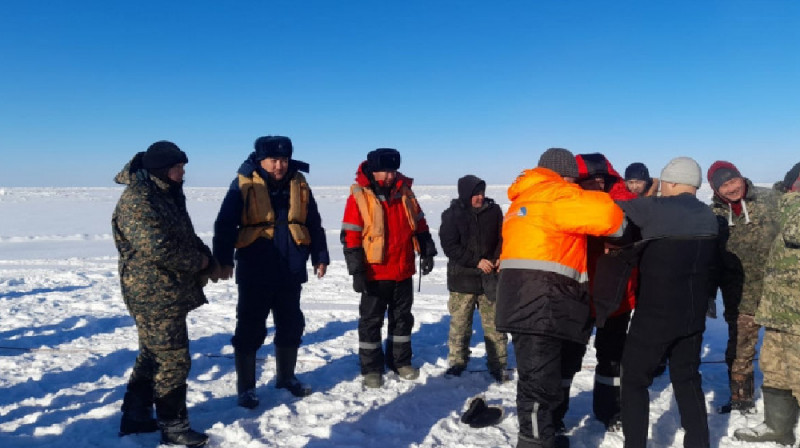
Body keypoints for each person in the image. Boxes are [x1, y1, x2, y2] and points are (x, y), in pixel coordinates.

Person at [495, 148, 625, 448]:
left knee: (536, 379)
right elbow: (613, 220)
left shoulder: (523, 198)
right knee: (539, 386)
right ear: (566, 176)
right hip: (544, 303)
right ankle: (536, 443)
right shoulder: (558, 195)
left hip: (521, 300)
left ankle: (544, 436)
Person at [113, 141, 218, 447]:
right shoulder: (138, 199)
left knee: (152, 354)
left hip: (166, 288)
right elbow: (158, 246)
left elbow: (183, 232)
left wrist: (206, 256)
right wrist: (198, 262)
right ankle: (173, 426)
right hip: (152, 292)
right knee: (173, 358)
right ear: (162, 169)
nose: (183, 172)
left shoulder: (164, 193)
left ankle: (135, 415)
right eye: (178, 167)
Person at [213, 136, 330, 408]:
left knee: (291, 324)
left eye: (284, 159)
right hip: (256, 267)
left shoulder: (299, 182)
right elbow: (225, 224)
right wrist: (223, 259)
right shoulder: (244, 182)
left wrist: (319, 256)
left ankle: (286, 377)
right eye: (273, 160)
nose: (279, 165)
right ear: (260, 159)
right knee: (250, 328)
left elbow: (313, 222)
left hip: (290, 266)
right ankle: (246, 388)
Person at [617, 157, 720, 448]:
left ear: (671, 182)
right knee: (687, 379)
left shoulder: (655, 208)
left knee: (635, 380)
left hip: (655, 316)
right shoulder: (709, 215)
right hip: (692, 314)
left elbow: (608, 210)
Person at [341, 148, 438, 388]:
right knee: (371, 321)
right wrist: (357, 271)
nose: (390, 175)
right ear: (373, 170)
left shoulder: (405, 192)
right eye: (385, 170)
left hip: (403, 269)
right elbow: (351, 236)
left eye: (393, 170)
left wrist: (427, 251)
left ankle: (400, 361)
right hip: (375, 272)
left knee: (402, 319)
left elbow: (419, 222)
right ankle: (371, 367)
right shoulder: (359, 195)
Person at [735, 162, 800, 445]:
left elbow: (793, 231)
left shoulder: (791, 210)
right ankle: (778, 427)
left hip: (797, 317)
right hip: (777, 312)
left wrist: (789, 198)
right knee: (774, 371)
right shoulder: (787, 206)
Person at [708, 160, 780, 413]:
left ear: (741, 177)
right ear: (716, 190)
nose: (731, 188)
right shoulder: (713, 216)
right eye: (724, 185)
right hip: (738, 296)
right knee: (739, 350)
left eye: (733, 181)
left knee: (783, 351)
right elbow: (711, 260)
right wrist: (709, 293)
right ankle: (741, 399)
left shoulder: (771, 200)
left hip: (777, 293)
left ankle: (786, 400)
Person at [575, 153, 638, 432]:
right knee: (567, 358)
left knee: (611, 358)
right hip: (576, 294)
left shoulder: (628, 204)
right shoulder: (568, 204)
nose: (598, 182)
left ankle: (610, 410)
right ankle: (555, 414)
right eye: (592, 178)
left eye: (603, 177)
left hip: (617, 296)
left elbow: (639, 235)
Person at [439, 174, 508, 383]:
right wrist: (476, 261)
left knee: (495, 325)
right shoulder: (451, 215)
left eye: (482, 193)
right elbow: (450, 246)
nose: (479, 197)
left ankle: (498, 365)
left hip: (489, 279)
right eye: (475, 194)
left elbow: (502, 237)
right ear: (465, 194)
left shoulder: (494, 211)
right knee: (460, 325)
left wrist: (497, 258)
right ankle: (457, 363)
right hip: (462, 280)